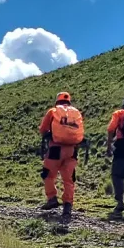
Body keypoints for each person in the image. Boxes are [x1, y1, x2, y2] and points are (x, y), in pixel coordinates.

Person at [38, 91, 85, 220]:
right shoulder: (76, 113)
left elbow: (42, 129)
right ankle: (68, 206)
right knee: (69, 179)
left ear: (57, 101)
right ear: (69, 101)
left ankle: (52, 198)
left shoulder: (53, 111)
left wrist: (48, 134)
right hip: (72, 150)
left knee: (48, 174)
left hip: (56, 149)